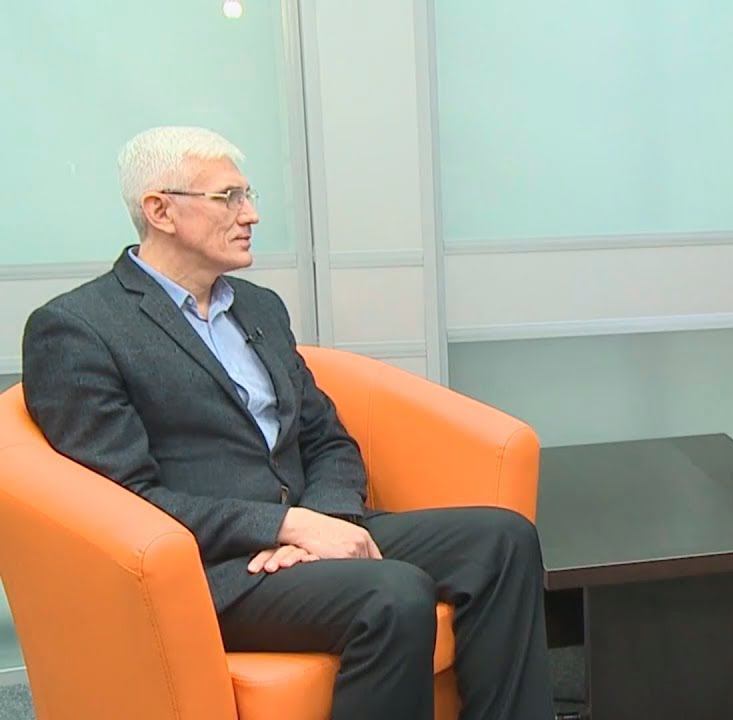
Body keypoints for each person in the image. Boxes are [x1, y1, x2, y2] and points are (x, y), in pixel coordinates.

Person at [21, 126, 554, 720]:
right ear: (160, 210)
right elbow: (125, 501)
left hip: (307, 526)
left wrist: (324, 522)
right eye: (228, 197)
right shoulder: (78, 328)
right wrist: (282, 525)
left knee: (502, 540)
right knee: (393, 592)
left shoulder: (258, 306)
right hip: (211, 568)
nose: (250, 214)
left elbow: (327, 438)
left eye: (248, 195)